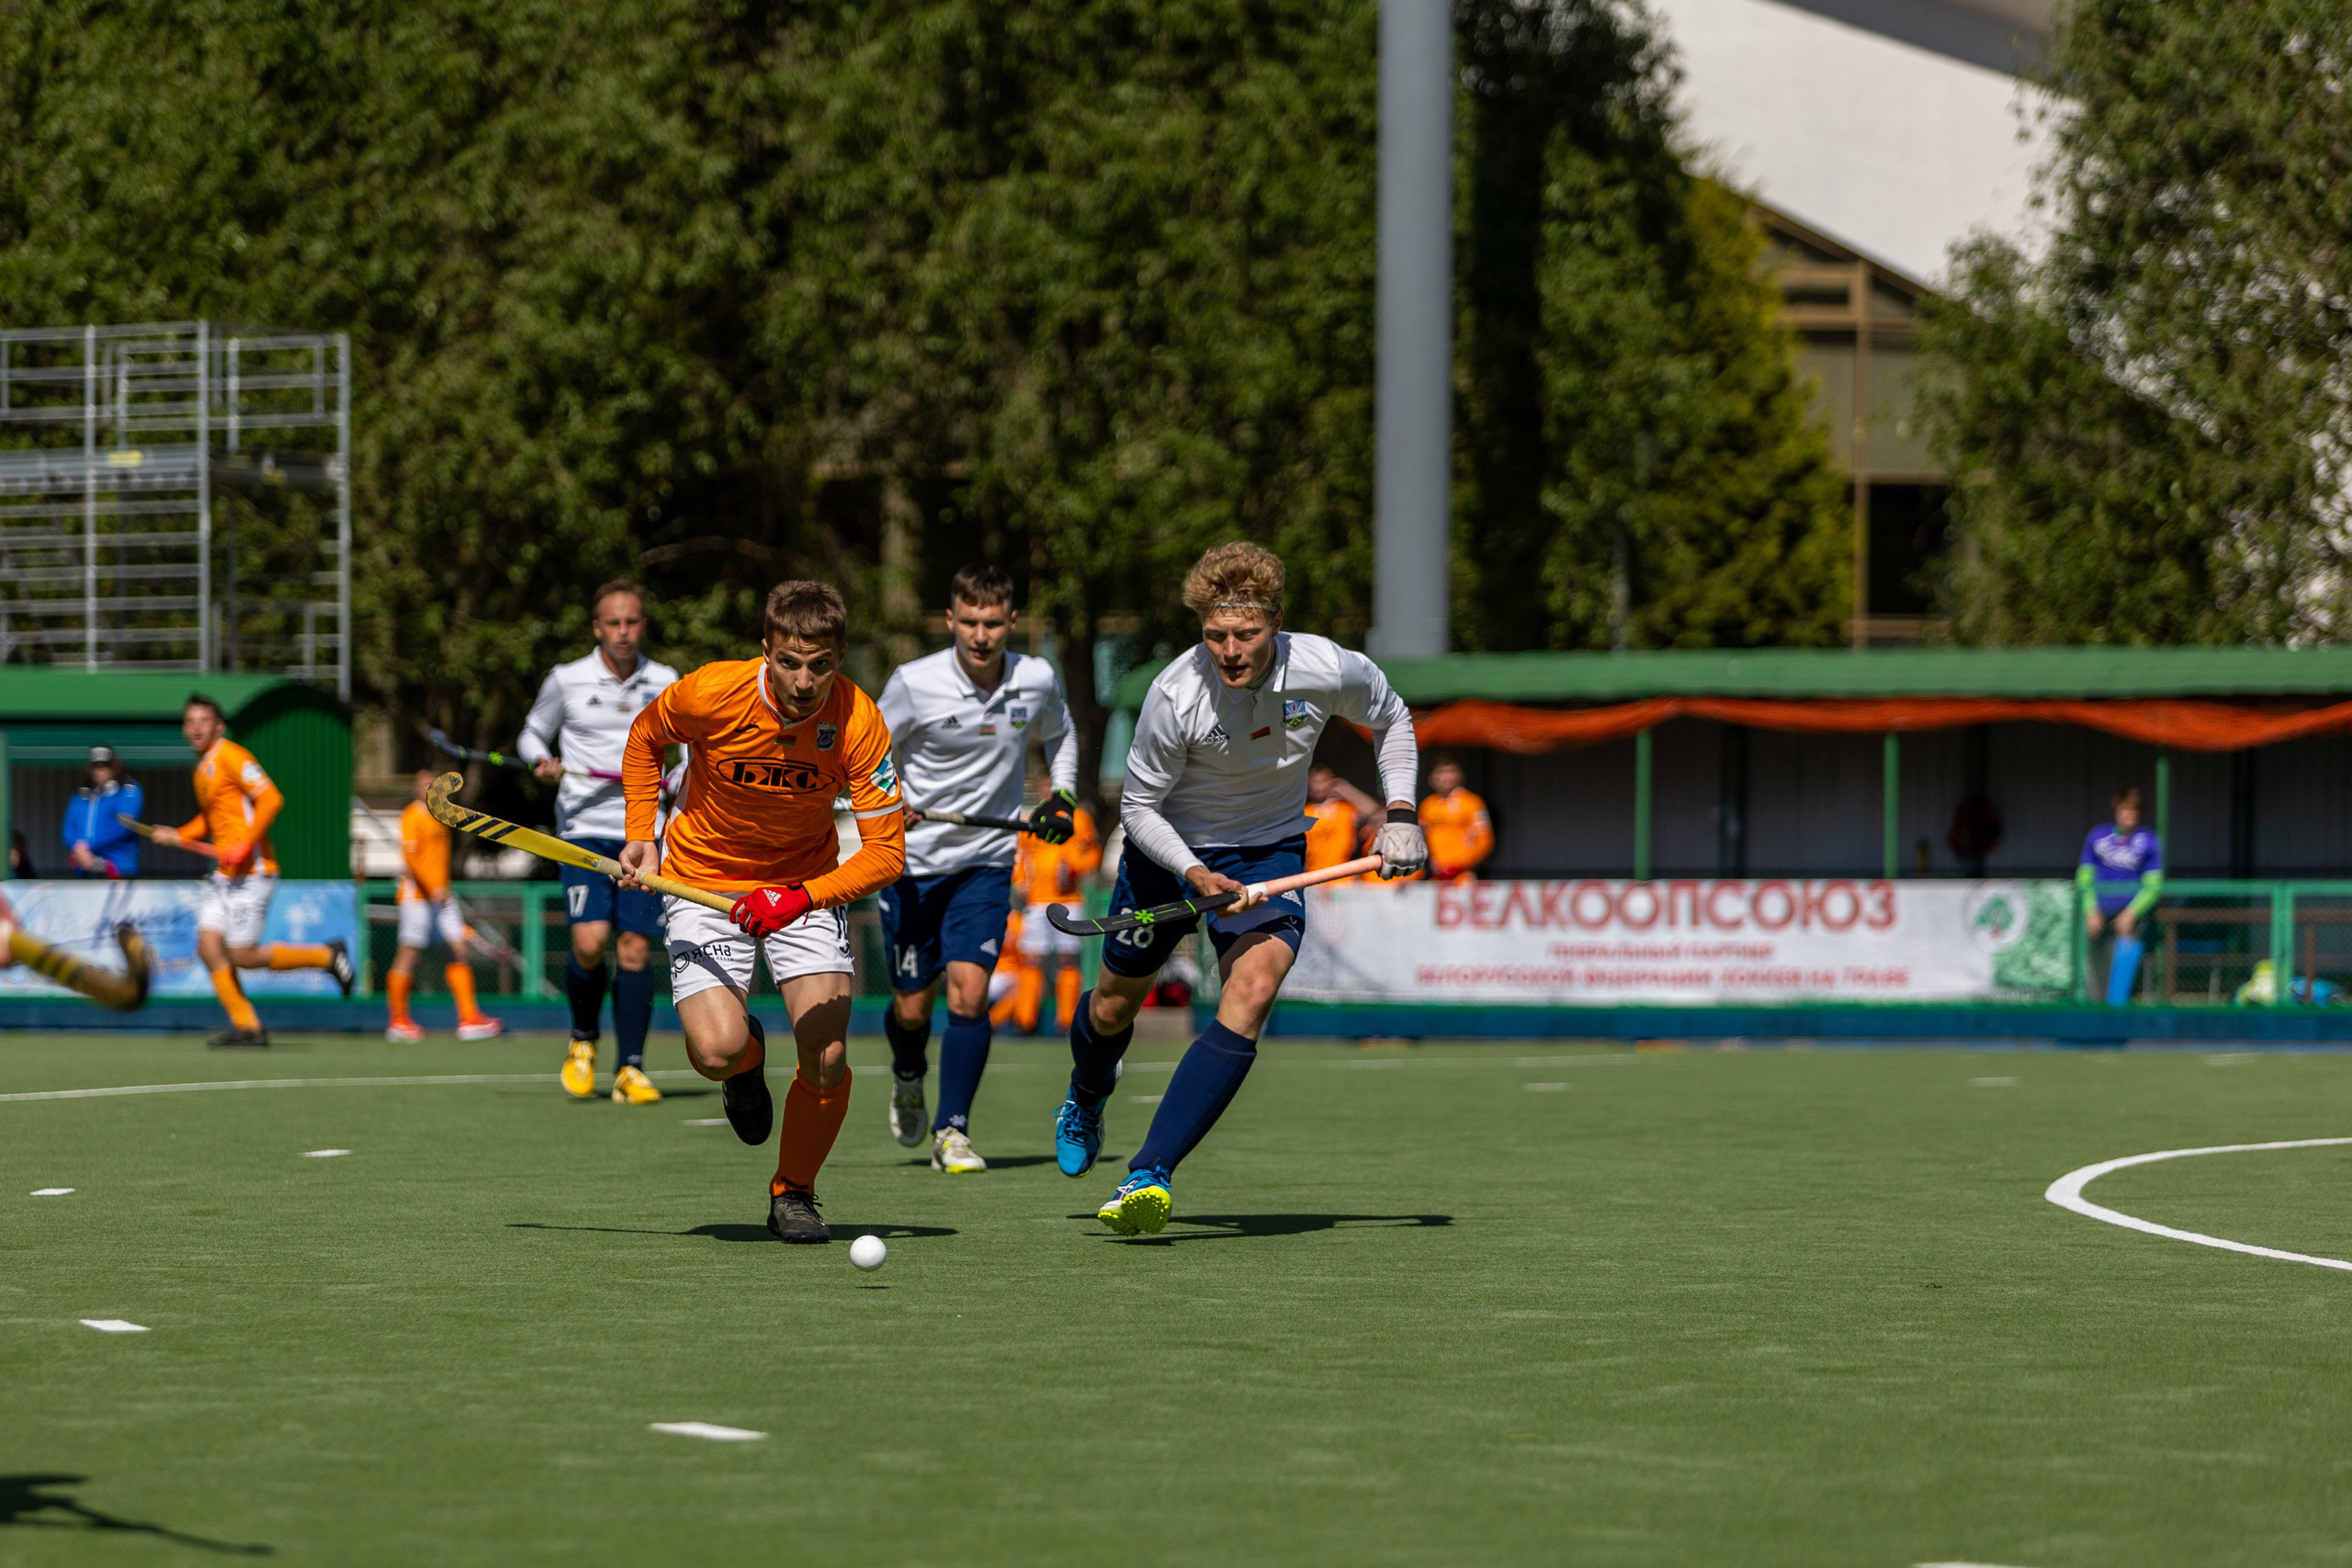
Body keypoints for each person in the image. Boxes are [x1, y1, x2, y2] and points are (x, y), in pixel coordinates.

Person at [1051, 542, 1426, 1235]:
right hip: (1167, 854)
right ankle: (1087, 1091)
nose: (1229, 650)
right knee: (1110, 1006)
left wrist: (1399, 811)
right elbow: (1138, 808)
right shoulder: (1175, 695)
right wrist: (1194, 872)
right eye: (1215, 635)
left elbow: (1392, 718)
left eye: (1245, 634)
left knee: (1250, 991)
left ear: (1276, 623)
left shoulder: (1326, 667)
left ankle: (1149, 1171)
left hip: (1270, 850)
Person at [618, 579, 906, 1244]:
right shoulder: (709, 691)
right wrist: (642, 831)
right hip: (702, 879)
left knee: (828, 1052)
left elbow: (886, 855)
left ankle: (794, 1191)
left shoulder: (860, 721)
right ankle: (746, 1067)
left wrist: (798, 897)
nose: (805, 681)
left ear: (841, 657)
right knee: (716, 1050)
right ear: (765, 650)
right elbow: (645, 737)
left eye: (822, 665)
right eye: (790, 662)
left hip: (801, 884)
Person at [875, 564, 1080, 1172]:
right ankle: (908, 1072)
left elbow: (1061, 736)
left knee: (969, 991)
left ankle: (953, 1130)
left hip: (986, 864)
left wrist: (1060, 796)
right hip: (912, 863)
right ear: (950, 620)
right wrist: (890, 800)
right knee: (913, 1007)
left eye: (993, 623)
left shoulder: (1036, 678)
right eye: (969, 622)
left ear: (1012, 621)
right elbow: (869, 751)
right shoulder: (914, 682)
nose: (981, 635)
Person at [519, 580, 680, 1105]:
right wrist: (538, 762)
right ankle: (583, 1037)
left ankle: (630, 1068)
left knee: (634, 949)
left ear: (643, 624)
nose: (623, 632)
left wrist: (683, 780)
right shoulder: (567, 680)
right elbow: (531, 733)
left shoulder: (665, 680)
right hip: (582, 829)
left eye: (632, 622)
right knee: (589, 943)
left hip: (644, 830)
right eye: (613, 623)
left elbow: (695, 747)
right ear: (597, 628)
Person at [153, 694, 355, 1048]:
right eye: (190, 722)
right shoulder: (202, 769)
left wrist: (246, 842)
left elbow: (271, 798)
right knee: (208, 946)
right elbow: (211, 820)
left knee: (242, 956)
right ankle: (247, 1026)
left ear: (219, 726)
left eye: (203, 721)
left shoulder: (232, 755)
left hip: (254, 872)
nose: (196, 728)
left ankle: (326, 956)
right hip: (225, 876)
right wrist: (177, 835)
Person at [386, 768, 504, 1044]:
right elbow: (411, 859)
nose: (428, 787)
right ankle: (398, 1021)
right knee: (409, 954)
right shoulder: (412, 815)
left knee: (458, 950)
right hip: (417, 897)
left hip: (443, 898)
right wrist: (431, 887)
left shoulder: (441, 816)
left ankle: (468, 1018)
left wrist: (441, 890)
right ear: (416, 787)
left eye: (432, 783)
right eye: (423, 782)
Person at [1013, 796, 1102, 1033]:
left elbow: (1093, 852)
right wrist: (1021, 881)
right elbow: (1021, 856)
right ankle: (1025, 1020)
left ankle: (1066, 1020)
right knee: (1032, 959)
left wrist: (1074, 869)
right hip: (1037, 901)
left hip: (1069, 901)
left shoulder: (1080, 817)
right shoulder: (1032, 817)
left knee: (1067, 960)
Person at [2080, 787, 2162, 1006]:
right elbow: (2084, 877)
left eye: (2133, 810)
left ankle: (2117, 1009)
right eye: (2124, 809)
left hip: (2129, 912)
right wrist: (2090, 910)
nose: (2128, 815)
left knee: (2124, 960)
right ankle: (2094, 1009)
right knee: (2095, 964)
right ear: (2116, 811)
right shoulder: (2098, 836)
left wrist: (2131, 914)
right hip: (2099, 911)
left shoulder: (2148, 840)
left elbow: (2154, 886)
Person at [63, 746, 142, 878]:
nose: (100, 771)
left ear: (114, 767)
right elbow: (69, 827)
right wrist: (79, 848)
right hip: (86, 868)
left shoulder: (127, 790)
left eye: (105, 766)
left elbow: (125, 825)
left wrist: (88, 847)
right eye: (96, 766)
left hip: (119, 868)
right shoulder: (82, 794)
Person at [1419, 754, 1495, 882]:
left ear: (1460, 776)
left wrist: (1460, 864)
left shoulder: (1473, 803)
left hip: (1462, 874)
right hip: (1436, 873)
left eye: (1450, 772)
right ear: (1431, 777)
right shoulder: (1427, 805)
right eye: (1441, 773)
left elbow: (1485, 840)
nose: (1445, 777)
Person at [1304, 762, 1376, 879]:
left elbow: (1373, 811)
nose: (1318, 786)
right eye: (1315, 782)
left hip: (1342, 878)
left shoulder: (1345, 810)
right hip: (1312, 877)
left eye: (1323, 781)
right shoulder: (1305, 813)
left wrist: (1347, 790)